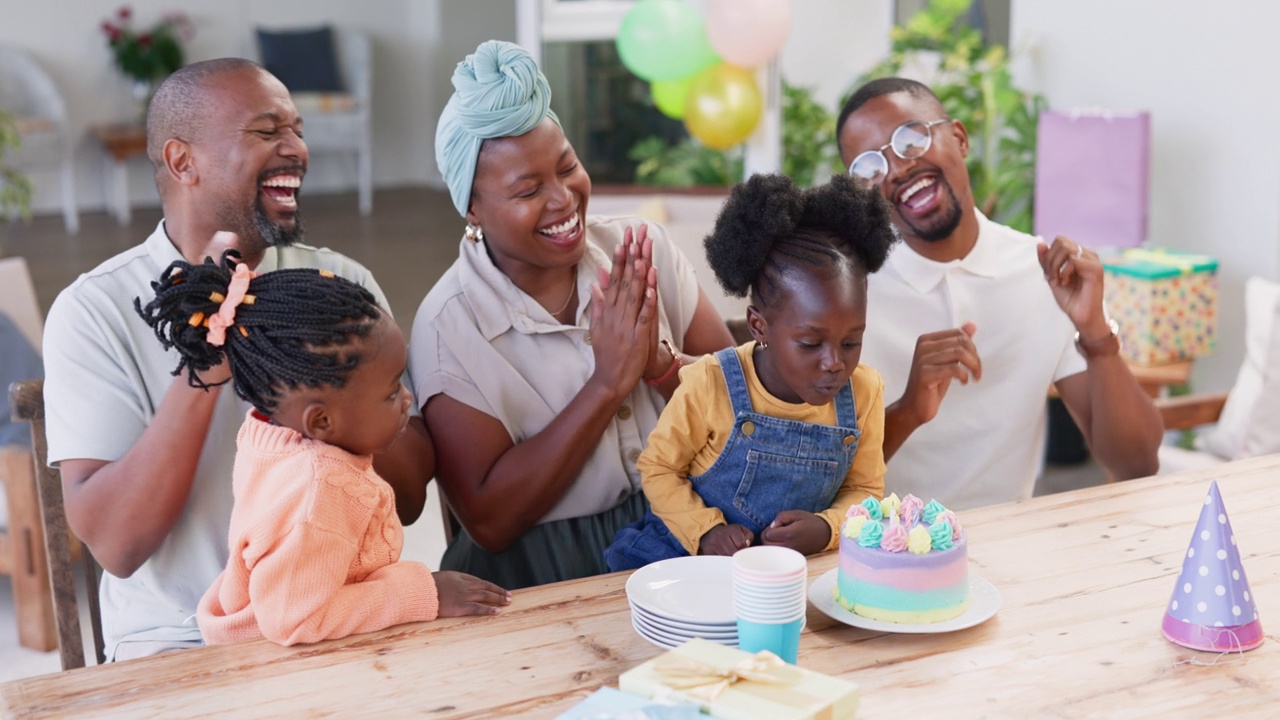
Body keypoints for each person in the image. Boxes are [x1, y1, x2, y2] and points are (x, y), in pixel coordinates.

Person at [41, 58, 433, 661]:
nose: (296, 148)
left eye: (297, 130)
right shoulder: (95, 310)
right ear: (182, 161)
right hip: (177, 643)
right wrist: (208, 357)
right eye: (267, 131)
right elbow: (117, 545)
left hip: (335, 615)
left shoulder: (339, 283)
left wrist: (348, 398)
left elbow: (407, 501)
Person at [411, 40, 734, 589]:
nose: (563, 199)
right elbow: (489, 519)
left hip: (691, 530)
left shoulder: (643, 248)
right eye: (528, 189)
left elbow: (752, 407)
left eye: (567, 168)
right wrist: (607, 384)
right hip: (546, 570)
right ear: (472, 208)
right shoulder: (450, 326)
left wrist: (658, 365)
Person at [133, 252, 509, 646]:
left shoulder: (274, 434)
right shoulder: (317, 491)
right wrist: (423, 593)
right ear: (322, 422)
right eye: (391, 391)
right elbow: (294, 621)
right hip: (280, 667)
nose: (407, 398)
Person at [835, 77, 1162, 510]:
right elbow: (821, 482)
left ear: (959, 138)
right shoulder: (847, 291)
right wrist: (909, 409)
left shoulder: (1041, 270)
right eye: (870, 168)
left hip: (1011, 551)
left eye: (910, 139)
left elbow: (1136, 465)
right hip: (883, 553)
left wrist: (1097, 334)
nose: (897, 169)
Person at [605, 174, 891, 570]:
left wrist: (827, 529)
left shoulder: (865, 391)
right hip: (683, 562)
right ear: (759, 326)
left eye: (851, 342)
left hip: (786, 576)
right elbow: (658, 469)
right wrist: (706, 531)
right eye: (810, 344)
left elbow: (865, 489)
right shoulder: (710, 382)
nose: (834, 363)